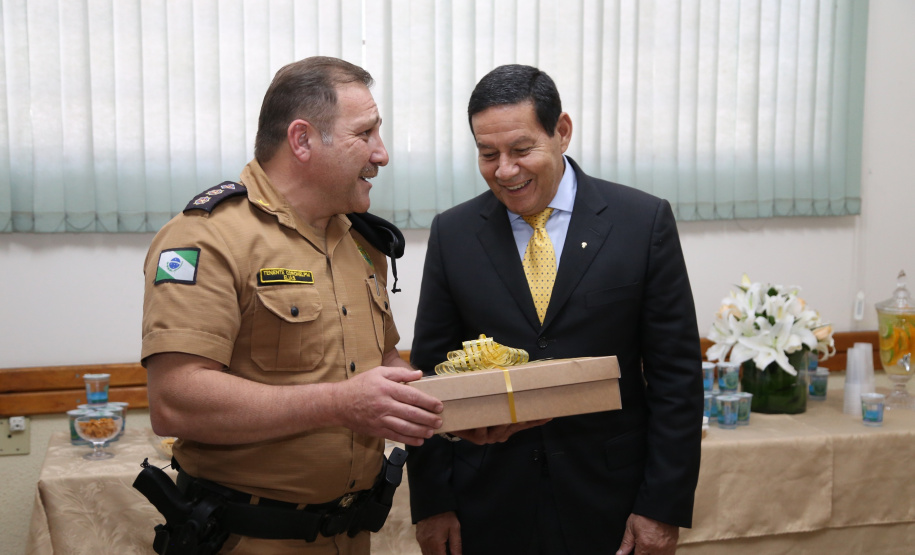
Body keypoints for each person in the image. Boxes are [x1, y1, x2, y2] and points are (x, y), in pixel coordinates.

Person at [140, 56, 443, 555]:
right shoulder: (206, 238)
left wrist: (456, 413)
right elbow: (174, 402)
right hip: (249, 538)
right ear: (302, 140)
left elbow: (382, 368)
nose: (382, 154)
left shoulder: (360, 242)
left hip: (353, 533)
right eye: (364, 134)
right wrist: (340, 403)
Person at [406, 64, 703, 555]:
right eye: (488, 154)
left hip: (610, 500)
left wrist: (661, 508)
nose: (505, 169)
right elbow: (430, 380)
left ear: (561, 132)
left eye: (522, 150)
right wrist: (433, 502)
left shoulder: (641, 222)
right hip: (489, 504)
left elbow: (676, 378)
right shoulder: (454, 234)